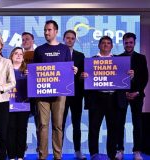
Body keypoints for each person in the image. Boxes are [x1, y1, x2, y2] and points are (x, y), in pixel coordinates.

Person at [82, 36, 133, 160]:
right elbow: (84, 80)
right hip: (97, 98)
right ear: (99, 45)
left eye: (108, 43)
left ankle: (111, 154)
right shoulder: (91, 61)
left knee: (113, 128)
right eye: (103, 43)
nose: (105, 45)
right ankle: (94, 154)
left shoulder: (119, 61)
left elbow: (124, 79)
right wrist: (83, 76)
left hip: (114, 98)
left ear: (111, 46)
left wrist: (130, 76)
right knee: (94, 128)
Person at [33, 20, 77, 160]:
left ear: (56, 31)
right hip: (43, 93)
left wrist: (73, 70)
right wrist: (30, 73)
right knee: (43, 125)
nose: (46, 32)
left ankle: (58, 156)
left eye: (49, 30)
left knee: (58, 125)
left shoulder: (64, 49)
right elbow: (35, 71)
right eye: (45, 30)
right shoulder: (39, 50)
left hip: (60, 93)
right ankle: (43, 156)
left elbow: (67, 70)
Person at [115, 32, 148, 160]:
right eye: (126, 43)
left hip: (137, 95)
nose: (128, 45)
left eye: (131, 42)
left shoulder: (141, 58)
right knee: (119, 123)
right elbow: (116, 78)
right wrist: (124, 92)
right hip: (122, 95)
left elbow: (145, 77)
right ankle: (120, 150)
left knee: (137, 124)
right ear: (123, 43)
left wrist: (137, 91)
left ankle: (137, 151)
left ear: (134, 43)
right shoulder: (118, 58)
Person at [61, 30, 86, 159]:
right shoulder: (58, 53)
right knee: (60, 124)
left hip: (76, 94)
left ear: (75, 40)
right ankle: (57, 151)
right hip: (61, 95)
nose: (70, 40)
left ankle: (78, 151)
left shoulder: (80, 56)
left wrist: (81, 75)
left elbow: (84, 75)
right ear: (64, 39)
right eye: (68, 38)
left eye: (72, 38)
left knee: (77, 124)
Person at [7, 47, 30, 160]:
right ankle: (11, 156)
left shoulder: (28, 70)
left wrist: (31, 76)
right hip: (8, 104)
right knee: (10, 129)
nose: (18, 55)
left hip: (23, 104)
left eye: (21, 54)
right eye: (16, 53)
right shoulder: (6, 70)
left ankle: (20, 156)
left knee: (22, 129)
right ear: (11, 56)